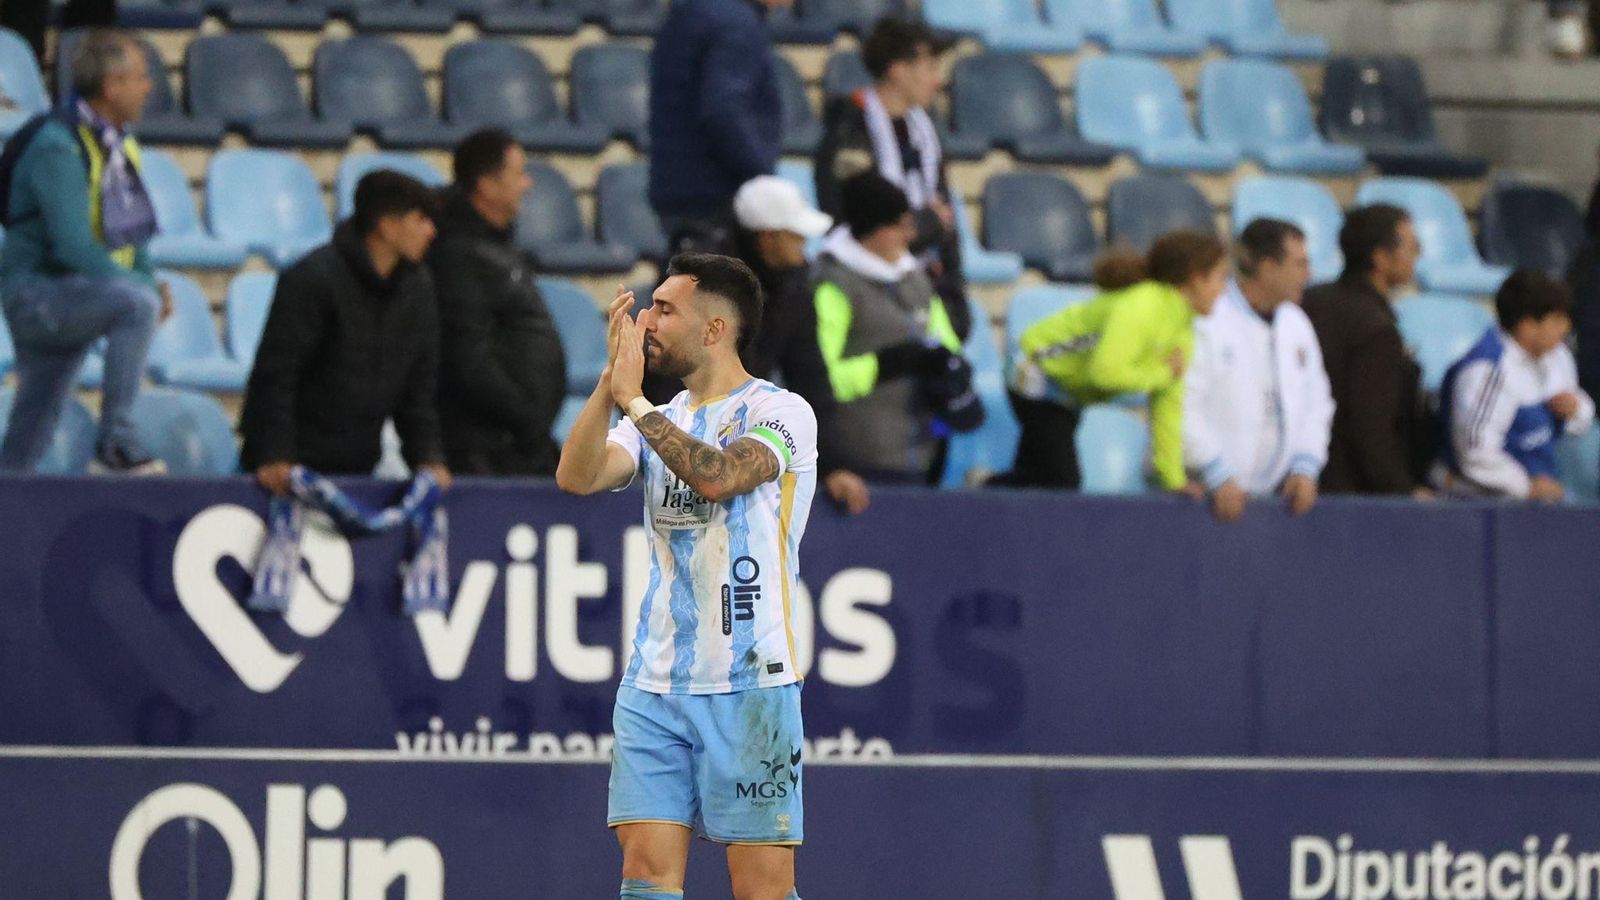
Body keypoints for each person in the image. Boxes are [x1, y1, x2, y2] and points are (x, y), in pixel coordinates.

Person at [555, 253, 815, 900]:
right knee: (645, 873)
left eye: (665, 309)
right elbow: (578, 476)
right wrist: (613, 384)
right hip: (654, 681)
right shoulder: (652, 417)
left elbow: (719, 477)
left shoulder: (780, 412)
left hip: (751, 684)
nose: (647, 319)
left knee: (761, 889)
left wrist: (637, 403)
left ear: (715, 329)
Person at [0, 29, 170, 474]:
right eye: (140, 76)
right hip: (37, 293)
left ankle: (8, 509)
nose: (149, 86)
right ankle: (117, 442)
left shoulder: (117, 145)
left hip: (71, 293)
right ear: (111, 86)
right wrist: (140, 289)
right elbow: (73, 245)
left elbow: (134, 233)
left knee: (31, 430)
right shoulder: (56, 145)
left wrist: (147, 278)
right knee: (135, 305)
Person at [239, 170, 451, 494]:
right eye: (420, 219)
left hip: (358, 472)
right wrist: (275, 454)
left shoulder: (418, 289)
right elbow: (277, 374)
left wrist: (428, 458)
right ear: (387, 225)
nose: (431, 231)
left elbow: (418, 391)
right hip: (290, 473)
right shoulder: (312, 278)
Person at [990, 230, 1229, 493]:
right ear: (1195, 278)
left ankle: (986, 492)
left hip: (1067, 392)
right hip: (1033, 372)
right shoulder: (1142, 307)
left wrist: (1174, 480)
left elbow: (1167, 408)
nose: (1224, 289)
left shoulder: (1183, 330)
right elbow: (1105, 373)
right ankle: (982, 492)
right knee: (1061, 481)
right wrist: (1160, 375)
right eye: (1220, 278)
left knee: (1038, 474)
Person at [813, 17, 967, 340]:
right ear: (898, 69)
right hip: (871, 297)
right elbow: (853, 227)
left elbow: (946, 219)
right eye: (930, 67)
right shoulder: (849, 133)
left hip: (927, 288)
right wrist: (926, 225)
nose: (938, 80)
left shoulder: (924, 133)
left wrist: (954, 293)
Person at [812, 172, 969, 485]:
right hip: (860, 459)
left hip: (920, 452)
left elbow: (946, 339)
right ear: (876, 230)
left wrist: (948, 364)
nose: (910, 235)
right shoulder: (833, 286)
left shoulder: (915, 277)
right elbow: (819, 378)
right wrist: (883, 365)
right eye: (901, 225)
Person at [428, 128, 566, 477]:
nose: (527, 185)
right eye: (518, 174)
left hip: (517, 444)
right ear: (487, 185)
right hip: (486, 451)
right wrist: (525, 415)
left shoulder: (496, 248)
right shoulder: (457, 254)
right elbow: (467, 357)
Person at [1184, 219, 1334, 523]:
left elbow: (1317, 402)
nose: (1309, 275)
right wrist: (1215, 472)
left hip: (1274, 503)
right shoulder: (1207, 320)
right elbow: (1182, 405)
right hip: (1204, 498)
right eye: (1299, 264)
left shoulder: (1297, 323)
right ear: (1267, 266)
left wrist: (1306, 465)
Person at [1302, 204, 1432, 498]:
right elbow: (1370, 428)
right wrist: (1402, 490)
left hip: (1298, 478)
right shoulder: (1376, 330)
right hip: (1350, 493)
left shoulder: (1310, 301)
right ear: (1381, 257)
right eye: (1413, 247)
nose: (1418, 256)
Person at [1433, 269, 1593, 502]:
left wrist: (1576, 408)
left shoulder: (1555, 355)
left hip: (1539, 490)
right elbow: (1475, 453)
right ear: (1527, 326)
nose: (1566, 327)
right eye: (1557, 320)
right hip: (1477, 502)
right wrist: (1526, 487)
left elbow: (1579, 416)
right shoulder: (1486, 372)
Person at [648, 0, 790, 254]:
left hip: (680, 188)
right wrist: (762, 174)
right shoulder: (736, 24)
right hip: (718, 197)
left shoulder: (689, 13)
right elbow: (724, 111)